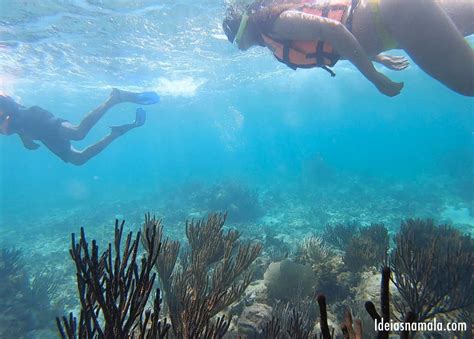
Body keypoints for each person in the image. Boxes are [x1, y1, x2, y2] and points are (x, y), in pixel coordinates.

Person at [223, 0, 473, 97]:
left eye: (236, 42)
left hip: (397, 16)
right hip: (394, 18)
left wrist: (373, 77)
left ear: (243, 30)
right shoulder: (274, 34)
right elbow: (338, 39)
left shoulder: (277, 25)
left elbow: (335, 30)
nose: (241, 49)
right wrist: (379, 57)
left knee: (468, 83)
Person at [0, 88, 160, 165]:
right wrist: (24, 138)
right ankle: (115, 133)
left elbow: (14, 109)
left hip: (36, 119)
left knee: (78, 133)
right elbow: (13, 123)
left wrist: (18, 131)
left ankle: (114, 98)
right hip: (38, 133)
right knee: (78, 159)